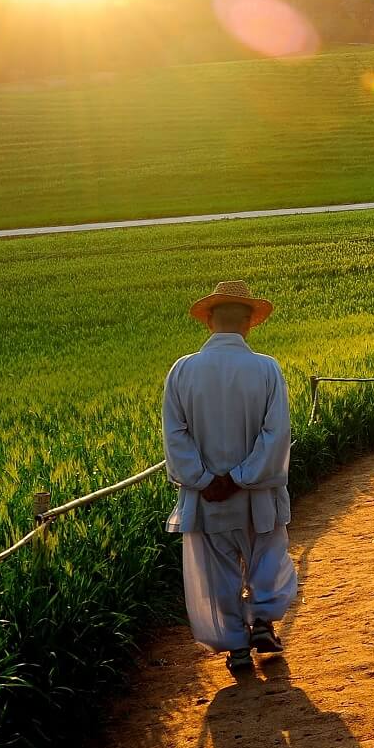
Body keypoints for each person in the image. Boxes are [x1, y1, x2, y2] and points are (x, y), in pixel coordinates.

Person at [163, 279, 298, 672]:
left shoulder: (182, 371)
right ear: (249, 322)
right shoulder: (266, 368)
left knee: (217, 567)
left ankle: (236, 646)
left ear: (209, 321)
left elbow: (175, 435)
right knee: (266, 555)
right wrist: (241, 476)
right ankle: (263, 622)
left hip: (206, 499)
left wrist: (204, 480)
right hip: (258, 494)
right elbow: (276, 433)